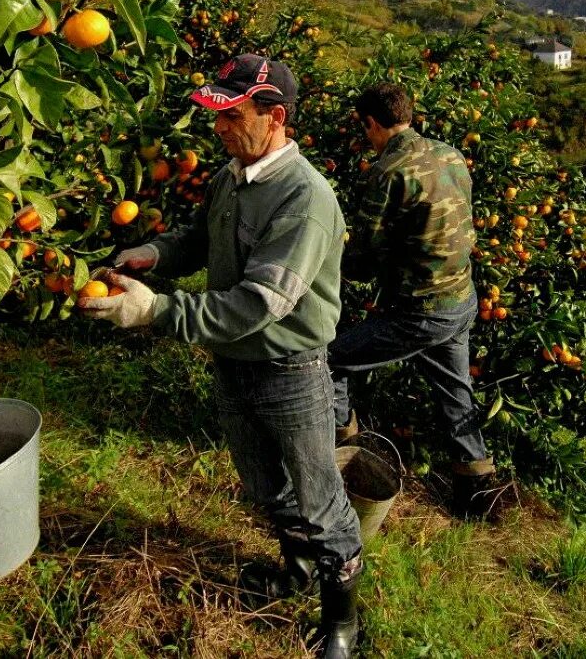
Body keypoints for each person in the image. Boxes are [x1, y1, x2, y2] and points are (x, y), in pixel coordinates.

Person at [79, 54, 363, 659]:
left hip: (290, 370)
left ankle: (342, 620)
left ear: (274, 116)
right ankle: (298, 570)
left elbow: (260, 303)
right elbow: (201, 240)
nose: (219, 128)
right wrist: (153, 256)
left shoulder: (304, 199)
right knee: (264, 485)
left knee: (319, 499)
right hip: (232, 362)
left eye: (231, 116)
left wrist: (155, 311)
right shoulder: (234, 175)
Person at [329, 81, 499, 520]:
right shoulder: (450, 154)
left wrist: (328, 264)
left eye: (363, 128)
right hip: (461, 297)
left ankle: (341, 455)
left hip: (420, 310)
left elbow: (363, 254)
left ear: (370, 123)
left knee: (334, 360)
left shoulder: (389, 172)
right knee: (455, 392)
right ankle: (478, 494)